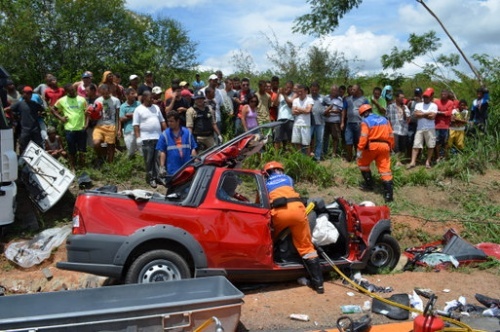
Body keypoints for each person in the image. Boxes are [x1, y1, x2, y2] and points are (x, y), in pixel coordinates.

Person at [263, 161, 324, 294]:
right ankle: (318, 284)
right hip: (298, 209)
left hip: (280, 213)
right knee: (306, 247)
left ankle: (275, 262)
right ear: (281, 170)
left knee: (271, 238)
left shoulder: (265, 183)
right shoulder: (288, 178)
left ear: (266, 173)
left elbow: (261, 203)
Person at [356, 104, 395, 202]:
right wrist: (390, 147)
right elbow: (391, 134)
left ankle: (369, 185)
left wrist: (359, 150)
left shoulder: (366, 121)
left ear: (363, 114)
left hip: (371, 147)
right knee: (385, 170)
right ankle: (389, 195)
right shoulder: (385, 120)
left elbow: (364, 137)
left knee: (363, 164)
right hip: (385, 146)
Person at [133, 90, 166, 188]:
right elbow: (136, 125)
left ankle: (159, 177)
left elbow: (162, 121)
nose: (153, 99)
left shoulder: (156, 107)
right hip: (146, 139)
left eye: (153, 97)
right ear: (144, 98)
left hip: (158, 137)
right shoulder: (138, 109)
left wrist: (166, 133)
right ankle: (151, 178)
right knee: (149, 160)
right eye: (150, 97)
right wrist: (138, 138)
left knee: (159, 158)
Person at [52, 83, 88, 169]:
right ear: (66, 92)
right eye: (70, 90)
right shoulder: (62, 100)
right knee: (72, 150)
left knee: (82, 150)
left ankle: (83, 167)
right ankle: (73, 168)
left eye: (73, 89)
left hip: (81, 128)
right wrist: (61, 118)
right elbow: (53, 109)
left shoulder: (82, 99)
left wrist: (86, 124)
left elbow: (87, 113)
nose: (72, 91)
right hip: (69, 129)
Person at [157, 110, 197, 177]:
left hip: (187, 168)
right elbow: (162, 152)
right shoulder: (165, 135)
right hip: (173, 170)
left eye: (171, 121)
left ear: (178, 121)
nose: (169, 123)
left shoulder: (187, 133)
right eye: (168, 121)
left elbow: (193, 149)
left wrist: (196, 161)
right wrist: (162, 167)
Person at [407, 88, 437, 169]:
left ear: (431, 97)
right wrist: (427, 114)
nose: (425, 98)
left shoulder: (434, 105)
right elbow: (416, 115)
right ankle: (413, 162)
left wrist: (422, 114)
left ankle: (428, 162)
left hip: (430, 128)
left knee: (430, 145)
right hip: (419, 128)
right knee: (416, 145)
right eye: (424, 97)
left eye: (427, 97)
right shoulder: (418, 105)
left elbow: (432, 117)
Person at [10, 86, 44, 154]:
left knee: (38, 146)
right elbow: (9, 109)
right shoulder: (19, 104)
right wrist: (15, 117)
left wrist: (40, 113)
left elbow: (42, 110)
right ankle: (23, 162)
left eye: (30, 93)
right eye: (27, 93)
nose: (29, 95)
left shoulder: (34, 104)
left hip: (35, 129)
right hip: (25, 129)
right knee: (24, 146)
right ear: (23, 94)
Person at [93, 84, 121, 164]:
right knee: (97, 143)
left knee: (110, 146)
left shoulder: (116, 100)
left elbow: (118, 116)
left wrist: (119, 129)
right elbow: (95, 113)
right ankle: (101, 156)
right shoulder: (97, 101)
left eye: (106, 93)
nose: (105, 95)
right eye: (103, 94)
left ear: (109, 92)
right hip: (99, 125)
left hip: (111, 125)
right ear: (100, 93)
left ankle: (110, 164)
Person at [343, 84, 369, 162]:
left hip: (359, 123)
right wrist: (342, 122)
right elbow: (344, 110)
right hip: (349, 123)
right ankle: (349, 157)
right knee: (348, 141)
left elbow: (368, 111)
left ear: (358, 90)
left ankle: (358, 157)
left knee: (358, 142)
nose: (352, 91)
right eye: (352, 89)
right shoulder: (347, 99)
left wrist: (366, 121)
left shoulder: (364, 99)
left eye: (354, 90)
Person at [386, 90, 410, 165]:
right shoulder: (390, 107)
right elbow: (387, 118)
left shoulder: (405, 107)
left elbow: (408, 119)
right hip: (394, 129)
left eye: (403, 97)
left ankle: (400, 160)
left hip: (403, 129)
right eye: (401, 97)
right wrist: (389, 129)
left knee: (402, 147)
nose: (403, 99)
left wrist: (404, 111)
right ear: (396, 98)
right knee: (395, 146)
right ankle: (397, 161)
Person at [322, 84, 343, 158]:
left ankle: (334, 153)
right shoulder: (325, 98)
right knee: (325, 137)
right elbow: (322, 108)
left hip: (335, 121)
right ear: (330, 90)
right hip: (325, 121)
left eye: (336, 90)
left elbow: (339, 110)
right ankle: (324, 152)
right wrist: (327, 111)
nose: (334, 92)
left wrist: (329, 111)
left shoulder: (339, 99)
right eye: (333, 90)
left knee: (335, 137)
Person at [292, 84, 313, 155]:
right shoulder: (295, 100)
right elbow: (293, 112)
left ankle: (307, 159)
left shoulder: (309, 100)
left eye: (301, 91)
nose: (299, 93)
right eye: (298, 92)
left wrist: (298, 109)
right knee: (297, 142)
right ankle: (299, 157)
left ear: (306, 91)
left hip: (305, 124)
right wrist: (304, 110)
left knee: (306, 143)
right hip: (296, 124)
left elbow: (308, 111)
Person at [273, 81, 295, 150]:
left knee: (290, 138)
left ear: (292, 88)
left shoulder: (293, 95)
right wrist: (278, 93)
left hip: (290, 118)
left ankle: (290, 155)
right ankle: (277, 156)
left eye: (290, 88)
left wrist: (284, 95)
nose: (288, 89)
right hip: (280, 119)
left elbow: (290, 104)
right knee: (277, 138)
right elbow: (275, 104)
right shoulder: (280, 95)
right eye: (287, 87)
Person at [119, 88, 141, 158]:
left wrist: (131, 115)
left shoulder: (138, 103)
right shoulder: (123, 106)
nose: (134, 95)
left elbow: (142, 114)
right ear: (127, 95)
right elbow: (121, 119)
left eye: (134, 94)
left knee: (141, 151)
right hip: (128, 130)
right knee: (130, 152)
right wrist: (133, 115)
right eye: (132, 94)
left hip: (139, 130)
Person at [433, 89, 453, 161]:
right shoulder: (436, 102)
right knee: (436, 141)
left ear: (447, 95)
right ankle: (437, 156)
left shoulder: (450, 102)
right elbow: (434, 111)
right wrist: (444, 112)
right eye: (442, 94)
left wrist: (440, 112)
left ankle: (444, 156)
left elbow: (449, 113)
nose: (443, 96)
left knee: (445, 142)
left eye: (445, 94)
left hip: (446, 126)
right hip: (437, 125)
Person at [309, 82, 325, 162]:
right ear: (310, 89)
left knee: (319, 140)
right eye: (313, 90)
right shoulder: (307, 97)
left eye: (316, 90)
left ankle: (317, 157)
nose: (314, 91)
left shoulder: (322, 98)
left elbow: (327, 106)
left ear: (318, 90)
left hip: (321, 122)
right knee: (307, 140)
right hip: (310, 122)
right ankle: (307, 156)